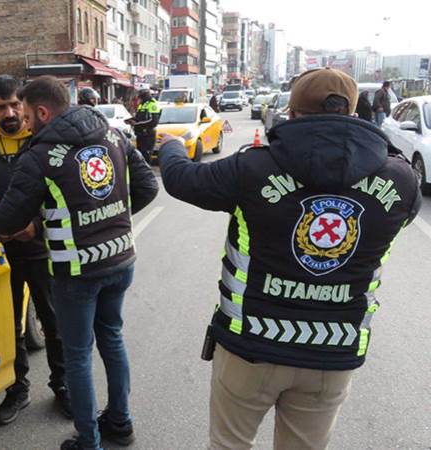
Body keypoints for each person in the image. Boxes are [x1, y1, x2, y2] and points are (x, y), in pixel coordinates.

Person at [157, 67, 420, 449]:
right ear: (354, 113)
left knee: (229, 444)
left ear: (292, 114)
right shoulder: (401, 180)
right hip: (333, 354)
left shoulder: (251, 168)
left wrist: (171, 145)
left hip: (251, 347)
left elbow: (182, 180)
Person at [0, 75, 158, 450]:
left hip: (77, 271)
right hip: (121, 260)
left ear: (41, 110)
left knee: (78, 357)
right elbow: (148, 186)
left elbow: (6, 220)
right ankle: (120, 422)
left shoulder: (40, 155)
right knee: (113, 339)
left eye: (25, 113)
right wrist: (108, 219)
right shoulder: (113, 135)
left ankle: (89, 441)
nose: (22, 120)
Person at [0, 74, 71, 425]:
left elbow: (60, 192)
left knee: (54, 322)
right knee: (8, 326)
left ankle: (63, 387)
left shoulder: (43, 139)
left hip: (40, 249)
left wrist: (34, 225)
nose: (9, 112)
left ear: (24, 103)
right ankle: (16, 389)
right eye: (0, 106)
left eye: (14, 104)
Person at [126, 89, 161, 161]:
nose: (139, 99)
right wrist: (131, 120)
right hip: (140, 134)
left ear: (145, 96)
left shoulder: (153, 104)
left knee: (146, 155)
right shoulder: (142, 105)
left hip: (148, 134)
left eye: (141, 97)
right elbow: (139, 118)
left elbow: (153, 121)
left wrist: (136, 123)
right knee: (140, 155)